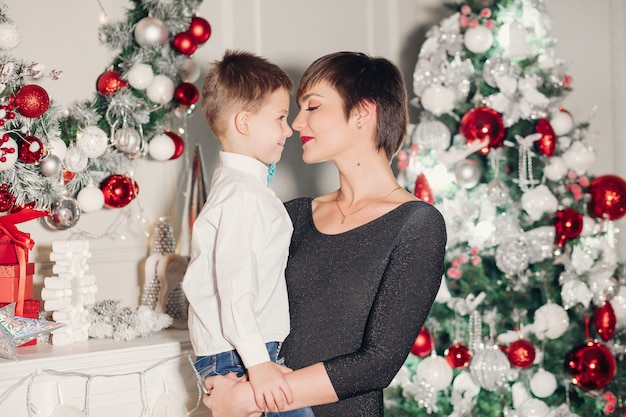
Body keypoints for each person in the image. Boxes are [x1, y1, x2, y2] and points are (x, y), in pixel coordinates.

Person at [202, 51, 447, 417]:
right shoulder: (293, 215)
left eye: (313, 107)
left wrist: (250, 398)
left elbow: (377, 363)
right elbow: (233, 298)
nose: (297, 124)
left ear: (363, 112)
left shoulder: (417, 224)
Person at [182, 49, 313, 417]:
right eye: (281, 118)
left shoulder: (242, 188)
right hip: (239, 357)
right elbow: (236, 288)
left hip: (243, 352)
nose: (289, 129)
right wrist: (258, 363)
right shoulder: (240, 197)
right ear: (244, 123)